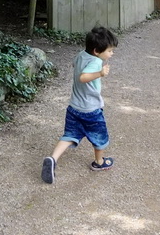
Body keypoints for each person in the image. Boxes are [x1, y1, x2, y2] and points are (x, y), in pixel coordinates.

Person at [41, 26, 118, 184]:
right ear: (97, 51)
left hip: (74, 107)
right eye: (110, 51)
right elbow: (83, 77)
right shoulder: (96, 62)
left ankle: (53, 159)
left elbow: (74, 65)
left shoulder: (81, 55)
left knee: (70, 135)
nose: (112, 54)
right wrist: (100, 74)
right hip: (91, 110)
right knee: (99, 137)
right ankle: (99, 162)